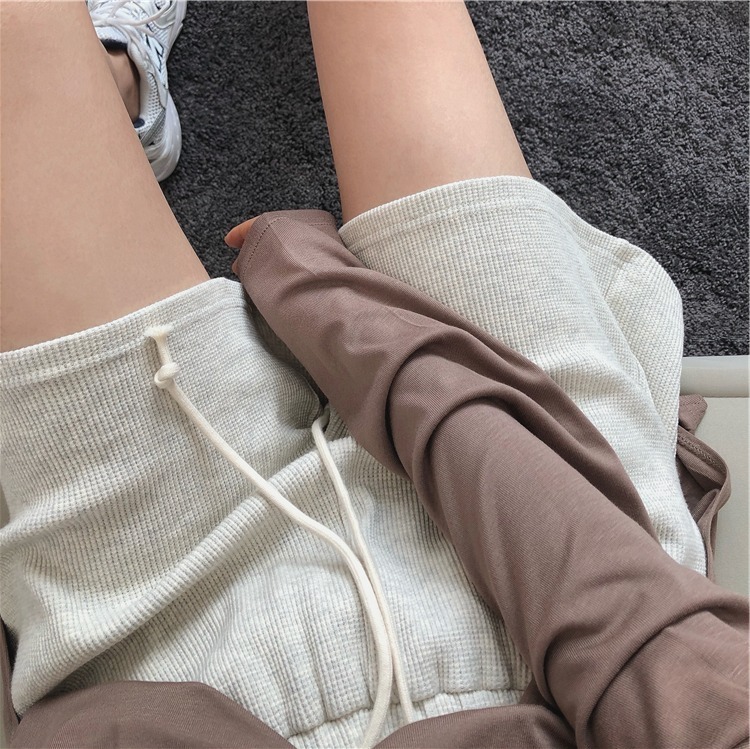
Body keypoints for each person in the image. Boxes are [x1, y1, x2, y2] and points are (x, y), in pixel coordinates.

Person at [1, 2, 747, 748]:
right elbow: (662, 660)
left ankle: (115, 76)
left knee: (16, 38)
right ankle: (110, 81)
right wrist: (351, 318)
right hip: (578, 582)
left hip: (176, 638)